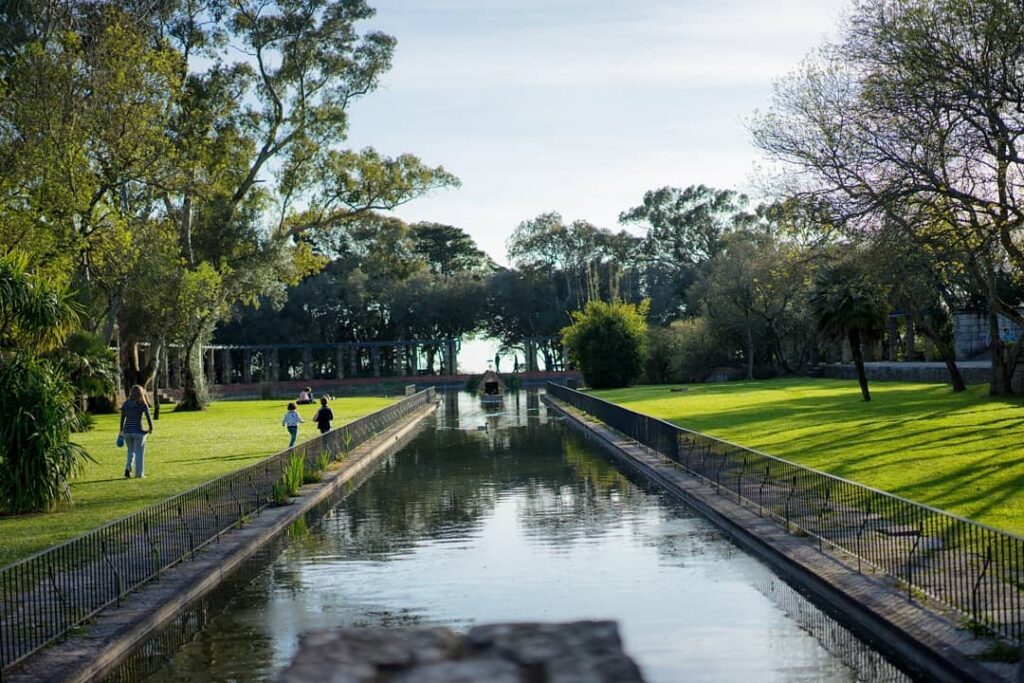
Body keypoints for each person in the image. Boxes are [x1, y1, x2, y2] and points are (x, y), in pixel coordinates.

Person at [119, 385, 153, 479]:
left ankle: (128, 468)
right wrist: (150, 428)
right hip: (138, 431)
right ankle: (139, 474)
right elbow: (148, 417)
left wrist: (121, 430)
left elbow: (122, 418)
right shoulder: (142, 404)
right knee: (139, 452)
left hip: (127, 431)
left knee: (130, 451)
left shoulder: (125, 404)